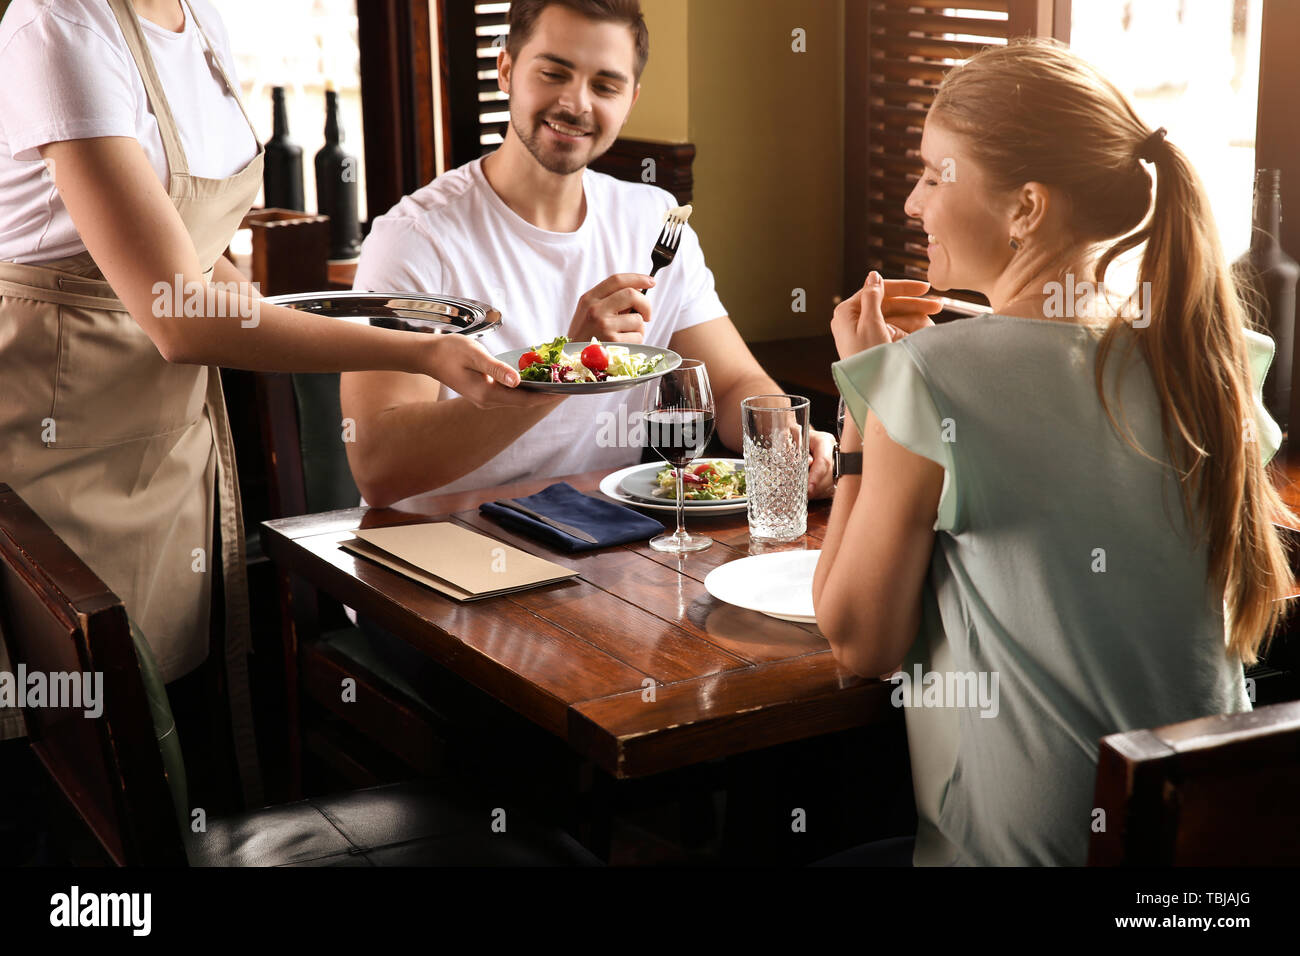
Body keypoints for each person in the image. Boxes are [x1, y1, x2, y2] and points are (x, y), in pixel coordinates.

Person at [0, 0, 544, 807]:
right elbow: (178, 313)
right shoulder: (58, 28)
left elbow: (205, 262)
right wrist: (416, 349)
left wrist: (323, 318)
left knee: (157, 718)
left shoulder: (201, 20)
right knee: (63, 743)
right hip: (51, 444)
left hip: (168, 447)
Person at [813, 39, 1297, 866]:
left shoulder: (929, 380)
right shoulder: (1213, 358)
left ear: (1026, 208)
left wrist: (867, 404)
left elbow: (860, 642)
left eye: (935, 174)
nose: (910, 204)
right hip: (1198, 865)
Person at [341, 0, 919, 508]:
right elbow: (379, 470)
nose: (576, 104)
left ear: (631, 100)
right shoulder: (417, 237)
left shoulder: (652, 220)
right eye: (554, 73)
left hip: (598, 542)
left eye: (605, 85)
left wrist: (782, 434)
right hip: (434, 558)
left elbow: (733, 382)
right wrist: (565, 366)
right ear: (507, 70)